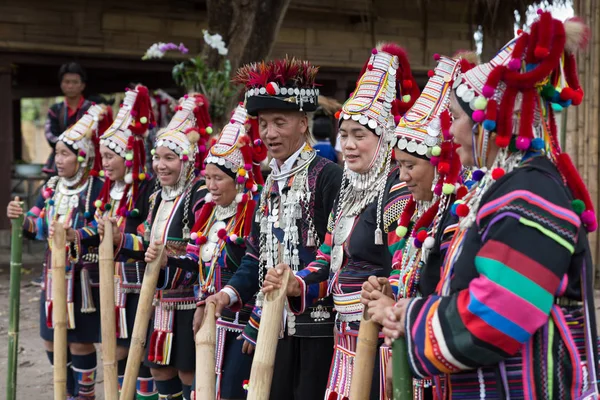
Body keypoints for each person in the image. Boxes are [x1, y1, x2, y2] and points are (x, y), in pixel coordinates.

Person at [382, 13, 600, 398]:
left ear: (497, 117)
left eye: (458, 117)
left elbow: (501, 313)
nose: (450, 131)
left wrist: (412, 321)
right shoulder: (503, 189)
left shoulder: (532, 195)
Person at [262, 43, 418, 399]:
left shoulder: (395, 193)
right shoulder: (348, 191)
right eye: (343, 135)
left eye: (359, 136)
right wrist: (296, 283)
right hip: (342, 336)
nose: (347, 145)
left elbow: (402, 270)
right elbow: (325, 261)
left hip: (379, 341)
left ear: (385, 139)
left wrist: (389, 307)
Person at [201, 56, 343, 400]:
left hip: (316, 328)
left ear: (303, 123)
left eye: (280, 122)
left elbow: (336, 253)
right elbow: (255, 257)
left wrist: (297, 284)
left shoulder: (327, 175)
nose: (269, 133)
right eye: (264, 123)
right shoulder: (270, 184)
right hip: (272, 326)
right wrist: (228, 294)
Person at [361, 55, 466, 399]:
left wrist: (396, 313)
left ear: (439, 165)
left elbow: (447, 292)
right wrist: (389, 289)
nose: (402, 176)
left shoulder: (456, 215)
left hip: (439, 360)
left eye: (409, 166)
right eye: (399, 165)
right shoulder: (413, 211)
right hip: (409, 347)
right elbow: (407, 273)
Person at [8, 104, 109, 399]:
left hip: (82, 279)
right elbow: (36, 223)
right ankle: (63, 392)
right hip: (52, 277)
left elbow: (102, 226)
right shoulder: (52, 186)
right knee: (51, 340)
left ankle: (85, 394)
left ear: (83, 157)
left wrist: (75, 235)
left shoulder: (97, 188)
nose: (58, 159)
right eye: (57, 153)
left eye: (65, 153)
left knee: (79, 342)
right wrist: (19, 217)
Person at [168, 104, 266, 399]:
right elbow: (199, 265)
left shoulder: (253, 213)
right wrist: (167, 260)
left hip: (241, 321)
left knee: (232, 391)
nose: (210, 186)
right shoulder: (207, 212)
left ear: (238, 178)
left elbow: (258, 269)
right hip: (211, 318)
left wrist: (256, 321)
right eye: (207, 178)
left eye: (217, 178)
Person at [143, 94, 213, 400]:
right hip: (159, 299)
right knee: (159, 368)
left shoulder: (199, 194)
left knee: (188, 369)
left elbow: (202, 252)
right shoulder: (157, 195)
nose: (160, 165)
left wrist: (167, 258)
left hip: (188, 299)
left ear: (186, 160)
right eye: (157, 157)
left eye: (169, 158)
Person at [94, 84, 159, 399]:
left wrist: (121, 238)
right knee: (117, 351)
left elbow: (151, 238)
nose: (104, 163)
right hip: (114, 286)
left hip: (142, 286)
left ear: (129, 156)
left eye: (110, 156)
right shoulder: (108, 192)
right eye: (102, 156)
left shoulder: (147, 190)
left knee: (143, 354)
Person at [43, 62, 93, 175]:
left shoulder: (93, 110)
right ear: (61, 84)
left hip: (87, 161)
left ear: (82, 85)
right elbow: (50, 136)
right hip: (59, 164)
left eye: (75, 82)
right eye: (67, 82)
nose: (70, 86)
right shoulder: (55, 109)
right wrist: (70, 146)